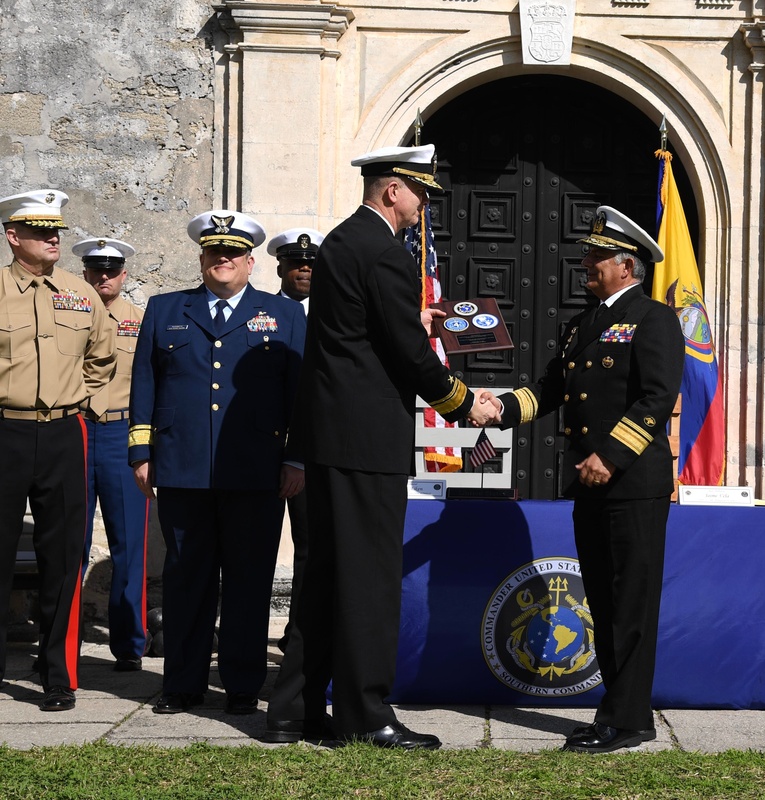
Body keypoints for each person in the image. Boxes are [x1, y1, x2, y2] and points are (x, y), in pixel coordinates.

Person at [265, 144, 498, 749]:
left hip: (334, 434)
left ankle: (293, 709)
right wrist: (462, 402)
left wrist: (406, 328)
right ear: (392, 188)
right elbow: (403, 350)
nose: (424, 207)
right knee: (367, 578)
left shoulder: (344, 242)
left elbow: (362, 334)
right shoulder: (383, 252)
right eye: (420, 193)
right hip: (366, 438)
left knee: (326, 576)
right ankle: (368, 714)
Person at [492, 205, 685, 753]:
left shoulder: (655, 319)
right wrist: (492, 409)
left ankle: (629, 719)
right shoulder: (583, 322)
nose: (585, 264)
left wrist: (611, 456)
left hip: (631, 482)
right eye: (588, 255)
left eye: (597, 256)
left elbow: (656, 400)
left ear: (628, 265)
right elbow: (550, 390)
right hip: (591, 484)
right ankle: (616, 713)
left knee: (631, 602)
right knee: (602, 598)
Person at [128, 210, 306, 715]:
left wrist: (296, 458)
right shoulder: (166, 310)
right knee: (187, 579)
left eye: (232, 253)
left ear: (250, 262)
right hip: (183, 467)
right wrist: (142, 452)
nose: (222, 259)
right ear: (202, 258)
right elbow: (145, 383)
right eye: (213, 252)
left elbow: (302, 396)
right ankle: (182, 684)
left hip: (257, 471)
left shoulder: (285, 315)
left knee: (249, 581)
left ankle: (243, 685)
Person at [0, 190, 116, 711]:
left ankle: (57, 675)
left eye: (57, 230)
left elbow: (103, 356)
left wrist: (80, 400)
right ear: (12, 236)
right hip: (5, 429)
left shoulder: (80, 293)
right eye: (41, 230)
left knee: (64, 558)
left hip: (67, 432)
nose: (54, 238)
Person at [74, 237, 151, 673]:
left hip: (122, 432)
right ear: (85, 272)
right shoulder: (67, 315)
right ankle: (63, 645)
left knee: (130, 545)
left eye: (111, 270)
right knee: (71, 543)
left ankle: (129, 644)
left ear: (124, 275)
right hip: (78, 429)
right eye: (95, 269)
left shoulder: (142, 322)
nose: (103, 276)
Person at [266, 227, 324, 652]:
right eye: (296, 262)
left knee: (310, 547)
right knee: (255, 544)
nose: (304, 269)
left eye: (311, 264)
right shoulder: (262, 313)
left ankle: (299, 635)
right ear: (280, 266)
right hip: (264, 447)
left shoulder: (334, 315)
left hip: (314, 447)